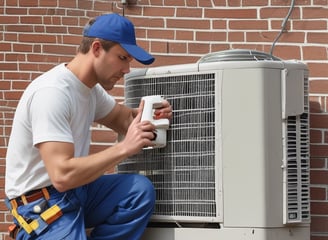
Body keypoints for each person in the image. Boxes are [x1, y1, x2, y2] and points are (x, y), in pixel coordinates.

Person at [5, 13, 172, 240]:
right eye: (122, 58)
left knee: (138, 192)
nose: (126, 70)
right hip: (42, 204)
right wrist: (124, 148)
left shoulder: (90, 89)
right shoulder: (52, 93)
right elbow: (62, 175)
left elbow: (124, 120)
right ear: (96, 49)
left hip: (79, 192)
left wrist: (150, 115)